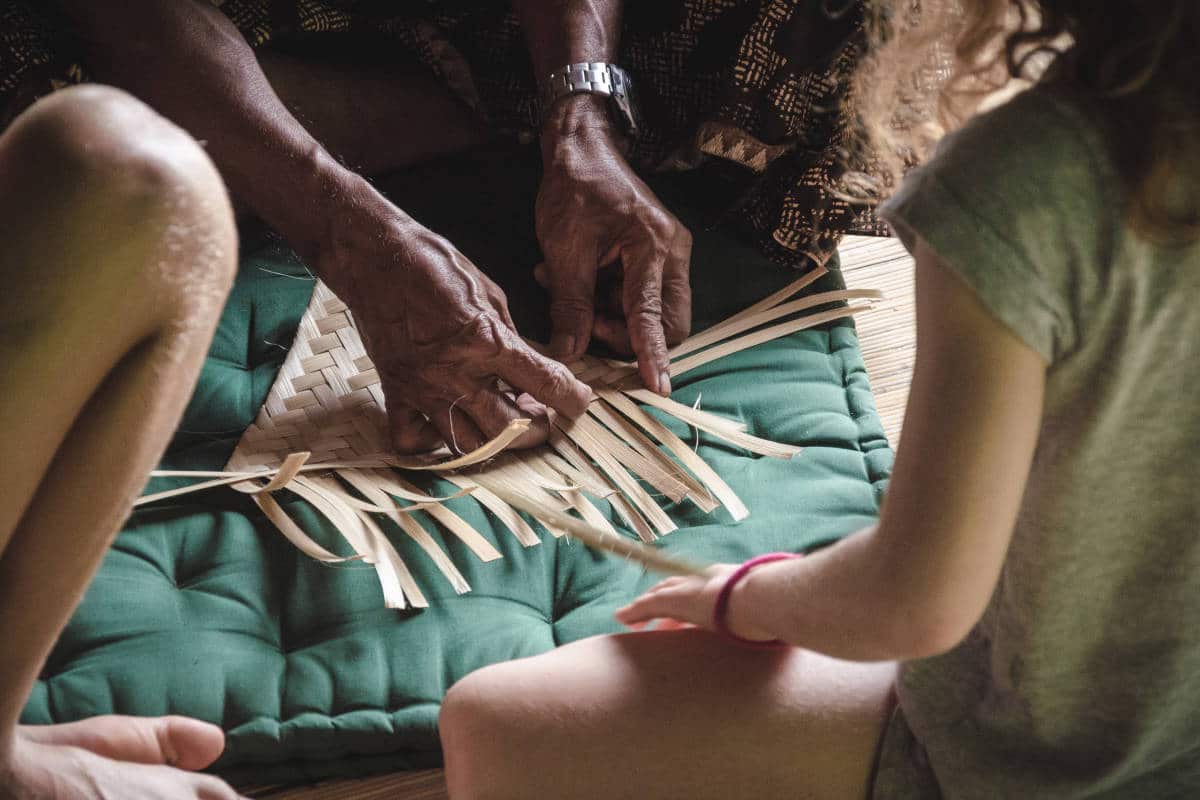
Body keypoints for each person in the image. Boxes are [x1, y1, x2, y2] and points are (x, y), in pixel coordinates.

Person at [438, 1, 1200, 797]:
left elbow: (914, 605)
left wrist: (748, 595)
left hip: (1048, 763)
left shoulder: (1032, 181)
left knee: (491, 720)